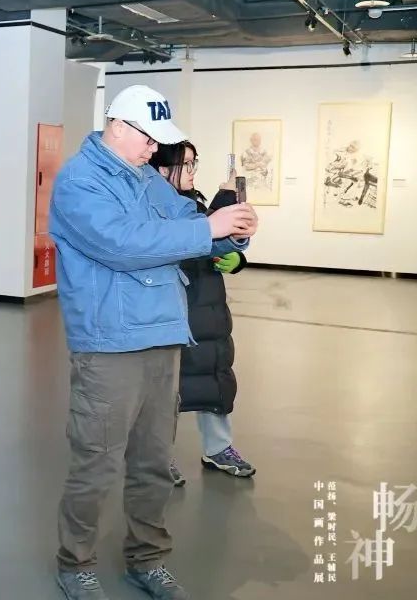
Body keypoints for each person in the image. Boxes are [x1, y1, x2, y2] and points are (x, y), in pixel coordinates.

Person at [49, 85, 258, 600]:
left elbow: (187, 221)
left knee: (153, 461)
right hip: (109, 343)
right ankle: (75, 564)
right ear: (118, 127)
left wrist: (232, 230)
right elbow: (122, 244)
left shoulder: (144, 177)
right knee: (97, 463)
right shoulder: (79, 182)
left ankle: (147, 558)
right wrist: (208, 228)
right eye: (148, 138)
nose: (154, 149)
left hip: (163, 333)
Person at [148, 142, 256, 484]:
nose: (193, 170)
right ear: (163, 169)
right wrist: (223, 204)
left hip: (208, 304)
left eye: (195, 163)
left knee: (214, 373)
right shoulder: (151, 207)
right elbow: (185, 241)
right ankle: (157, 456)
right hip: (172, 306)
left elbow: (211, 240)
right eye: (186, 164)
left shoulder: (193, 202)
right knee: (166, 386)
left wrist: (236, 259)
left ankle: (218, 448)